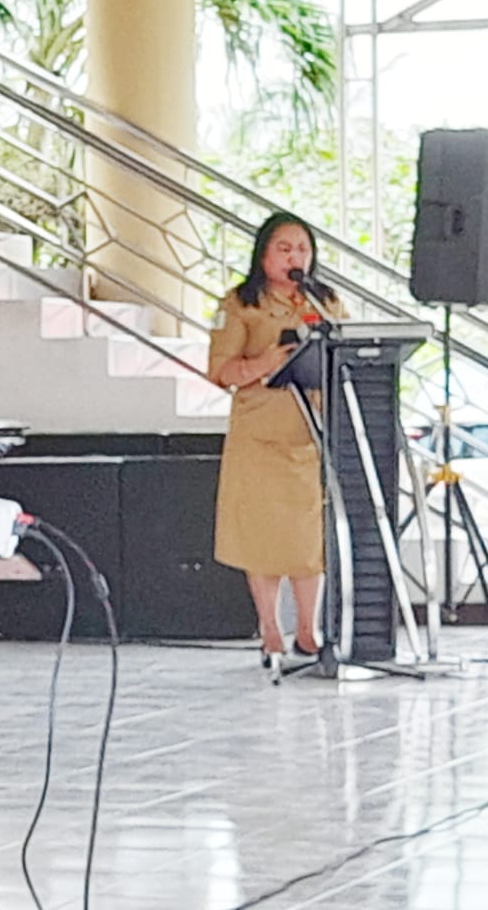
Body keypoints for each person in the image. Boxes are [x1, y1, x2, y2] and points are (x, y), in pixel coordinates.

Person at [207, 212, 345, 666]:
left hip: (311, 434)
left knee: (308, 540)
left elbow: (342, 350)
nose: (295, 257)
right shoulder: (239, 303)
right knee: (263, 538)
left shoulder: (324, 300)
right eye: (284, 249)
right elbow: (221, 372)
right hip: (260, 437)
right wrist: (265, 361)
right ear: (263, 253)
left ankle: (309, 629)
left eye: (302, 249)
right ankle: (270, 628)